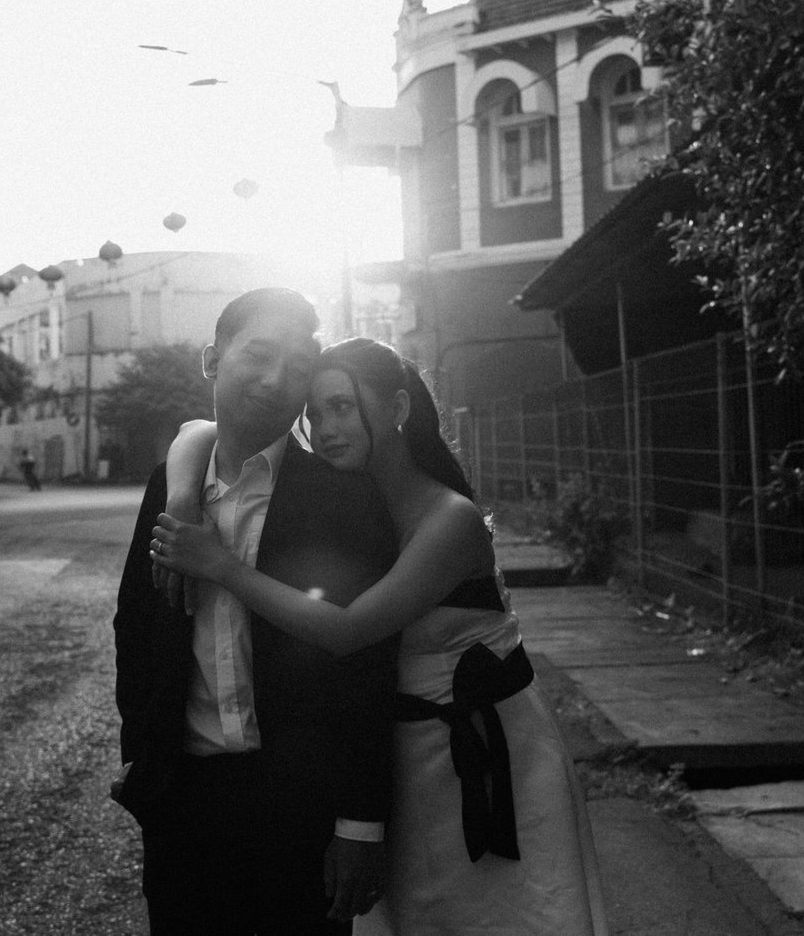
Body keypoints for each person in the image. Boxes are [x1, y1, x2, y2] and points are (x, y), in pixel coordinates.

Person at [153, 337, 608, 935]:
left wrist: (223, 567)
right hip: (405, 755)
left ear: (396, 408)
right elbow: (196, 431)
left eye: (342, 407)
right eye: (315, 413)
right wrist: (182, 496)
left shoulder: (450, 520)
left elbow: (348, 632)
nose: (326, 429)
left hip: (487, 756)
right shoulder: (356, 505)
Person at [113, 290, 401, 935]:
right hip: (183, 802)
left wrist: (360, 821)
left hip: (302, 806)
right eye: (258, 355)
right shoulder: (171, 485)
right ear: (213, 360)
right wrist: (142, 757)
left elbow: (367, 662)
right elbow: (136, 624)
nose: (275, 381)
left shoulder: (341, 496)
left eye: (298, 368)